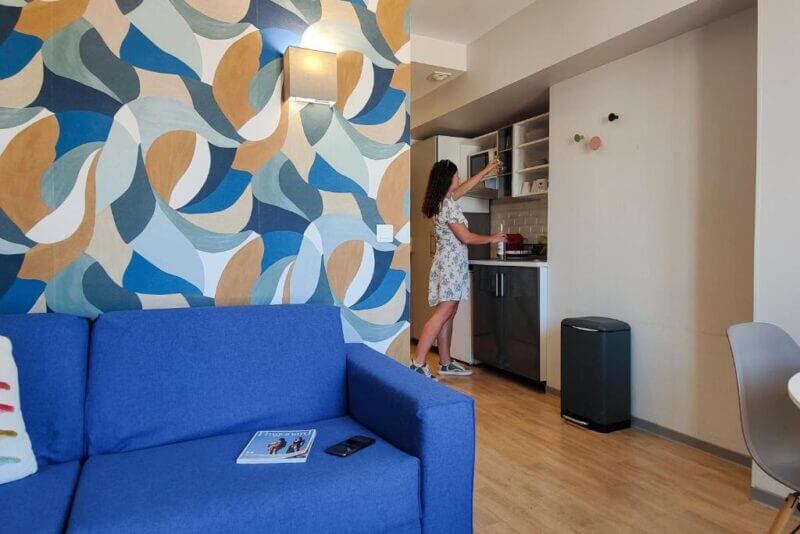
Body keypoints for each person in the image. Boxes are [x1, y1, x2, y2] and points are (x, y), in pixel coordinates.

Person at [410, 159, 506, 378]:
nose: (460, 179)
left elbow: (466, 187)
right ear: (448, 179)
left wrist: (486, 170)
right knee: (443, 312)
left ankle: (445, 362)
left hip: (449, 263)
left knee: (448, 313)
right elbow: (467, 237)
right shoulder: (448, 205)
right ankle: (417, 363)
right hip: (451, 265)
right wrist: (492, 238)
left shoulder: (443, 201)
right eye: (457, 175)